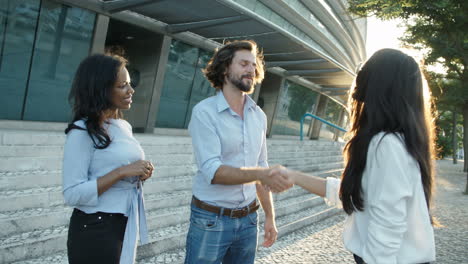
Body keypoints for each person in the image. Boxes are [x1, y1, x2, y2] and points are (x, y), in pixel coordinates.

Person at [271, 49, 436, 264]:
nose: (358, 77)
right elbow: (360, 195)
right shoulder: (397, 141)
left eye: (365, 72)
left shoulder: (386, 144)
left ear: (379, 85)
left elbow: (388, 222)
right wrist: (293, 176)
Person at [184, 40, 293, 264]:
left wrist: (270, 217)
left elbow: (261, 166)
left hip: (249, 221)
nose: (251, 70)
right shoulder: (204, 112)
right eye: (244, 64)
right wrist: (260, 174)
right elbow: (213, 172)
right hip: (211, 220)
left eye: (253, 65)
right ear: (225, 69)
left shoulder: (259, 116)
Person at [62, 54, 153, 264]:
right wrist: (121, 172)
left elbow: (123, 170)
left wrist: (140, 173)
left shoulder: (122, 126)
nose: (131, 91)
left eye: (130, 84)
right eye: (122, 85)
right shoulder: (81, 132)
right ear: (101, 89)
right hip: (95, 227)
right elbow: (72, 194)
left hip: (123, 221)